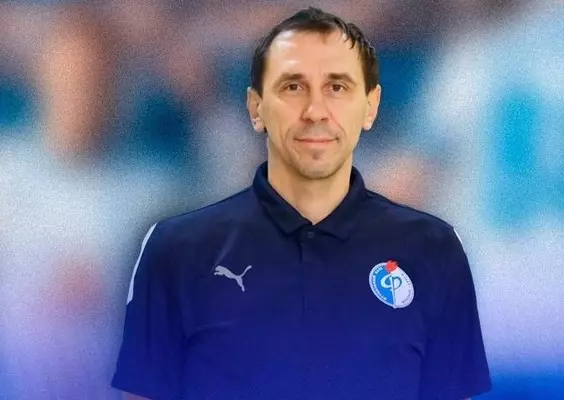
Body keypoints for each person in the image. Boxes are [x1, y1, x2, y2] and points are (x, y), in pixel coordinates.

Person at [111, 7, 491, 400]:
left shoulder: (433, 252)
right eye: (293, 87)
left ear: (369, 106)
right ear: (257, 106)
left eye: (337, 87)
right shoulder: (175, 253)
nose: (315, 111)